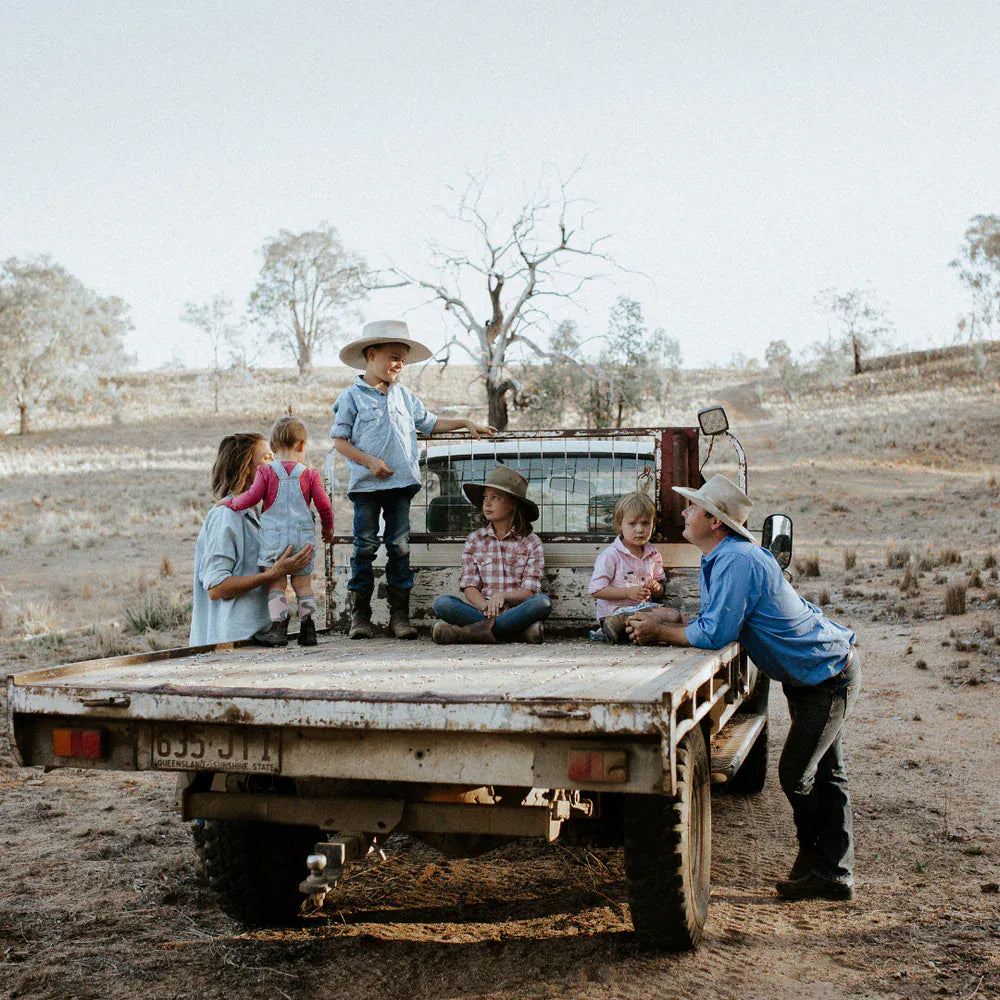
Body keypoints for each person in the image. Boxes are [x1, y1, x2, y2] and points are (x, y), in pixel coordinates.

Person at [625, 474, 861, 902]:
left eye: (693, 508)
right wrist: (668, 620)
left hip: (827, 676)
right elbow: (715, 619)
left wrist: (660, 632)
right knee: (826, 772)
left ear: (715, 521)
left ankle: (823, 866)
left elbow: (715, 633)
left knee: (798, 774)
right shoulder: (723, 556)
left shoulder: (736, 560)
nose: (684, 512)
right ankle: (831, 869)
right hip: (817, 670)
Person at [331, 319, 494, 640]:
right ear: (371, 354)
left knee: (399, 549)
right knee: (364, 547)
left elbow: (430, 423)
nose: (398, 365)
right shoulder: (351, 398)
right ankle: (360, 617)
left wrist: (463, 422)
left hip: (401, 487)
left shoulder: (404, 396)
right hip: (366, 488)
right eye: (393, 357)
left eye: (402, 360)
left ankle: (399, 618)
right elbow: (340, 441)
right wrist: (370, 462)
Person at [190, 433, 314, 646]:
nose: (275, 463)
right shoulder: (226, 516)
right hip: (228, 645)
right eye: (267, 457)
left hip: (258, 642)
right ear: (244, 466)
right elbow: (216, 587)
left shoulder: (262, 514)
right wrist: (274, 574)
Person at [222, 416, 333, 647]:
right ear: (302, 446)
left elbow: (250, 498)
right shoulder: (310, 474)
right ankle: (308, 628)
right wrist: (327, 529)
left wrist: (231, 504)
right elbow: (324, 505)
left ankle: (279, 628)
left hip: (274, 541)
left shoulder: (267, 473)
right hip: (303, 541)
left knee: (276, 585)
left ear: (272, 447)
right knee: (303, 586)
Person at [431, 466, 553, 644]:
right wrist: (486, 606)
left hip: (515, 613)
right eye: (485, 497)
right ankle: (516, 634)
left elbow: (529, 591)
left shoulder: (531, 542)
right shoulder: (475, 540)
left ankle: (470, 633)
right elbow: (469, 586)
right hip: (481, 611)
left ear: (513, 504)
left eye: (495, 497)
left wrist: (502, 597)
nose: (487, 503)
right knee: (443, 604)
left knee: (542, 603)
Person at [589, 491, 682, 643]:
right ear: (620, 525)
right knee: (625, 619)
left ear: (653, 523)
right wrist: (627, 593)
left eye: (645, 523)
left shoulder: (653, 555)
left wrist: (656, 587)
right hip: (617, 612)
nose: (639, 529)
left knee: (674, 616)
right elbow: (596, 589)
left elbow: (660, 590)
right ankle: (617, 629)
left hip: (645, 610)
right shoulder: (611, 555)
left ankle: (636, 632)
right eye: (632, 524)